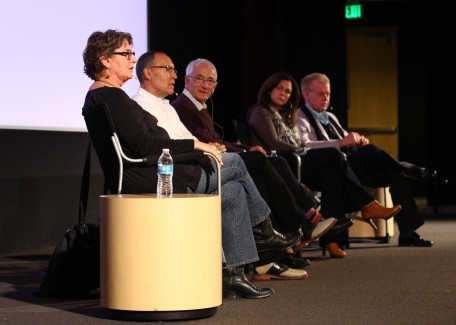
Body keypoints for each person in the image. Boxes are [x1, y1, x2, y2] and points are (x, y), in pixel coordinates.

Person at [81, 30, 298, 299]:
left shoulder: (107, 96)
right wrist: (196, 145)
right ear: (104, 60)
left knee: (233, 193)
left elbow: (147, 139)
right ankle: (264, 232)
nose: (133, 59)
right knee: (238, 164)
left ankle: (233, 275)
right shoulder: (111, 97)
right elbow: (144, 145)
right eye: (126, 53)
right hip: (155, 176)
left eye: (132, 52)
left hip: (157, 169)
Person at [132, 52, 334, 280]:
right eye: (168, 69)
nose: (173, 75)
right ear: (148, 73)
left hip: (195, 165)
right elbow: (167, 145)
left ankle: (237, 274)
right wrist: (208, 148)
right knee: (250, 162)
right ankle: (271, 231)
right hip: (180, 174)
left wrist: (211, 147)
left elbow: (197, 140)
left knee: (238, 187)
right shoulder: (145, 106)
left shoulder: (169, 107)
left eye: (210, 81)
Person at [248, 72, 402, 258]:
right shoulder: (261, 112)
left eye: (288, 91)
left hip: (296, 160)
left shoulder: (286, 115)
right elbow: (274, 144)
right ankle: (367, 204)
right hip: (287, 164)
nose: (284, 94)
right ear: (269, 89)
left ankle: (332, 239)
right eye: (279, 88)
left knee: (332, 173)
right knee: (333, 155)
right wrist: (301, 148)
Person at [297, 72, 434, 247]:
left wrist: (357, 143)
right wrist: (341, 142)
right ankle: (408, 168)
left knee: (393, 173)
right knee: (373, 152)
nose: (326, 98)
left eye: (328, 93)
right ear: (306, 95)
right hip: (327, 172)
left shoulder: (330, 117)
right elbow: (306, 147)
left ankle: (408, 232)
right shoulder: (299, 117)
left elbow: (348, 142)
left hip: (349, 170)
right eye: (320, 94)